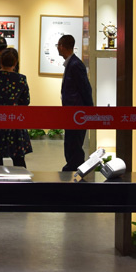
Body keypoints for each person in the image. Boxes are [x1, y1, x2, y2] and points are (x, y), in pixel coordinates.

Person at [57, 34, 94, 171]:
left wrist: (90, 111)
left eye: (58, 45)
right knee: (70, 142)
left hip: (76, 113)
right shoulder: (72, 63)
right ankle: (73, 167)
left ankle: (75, 169)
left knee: (74, 143)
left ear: (62, 46)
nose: (58, 48)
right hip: (72, 112)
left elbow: (85, 88)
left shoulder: (75, 65)